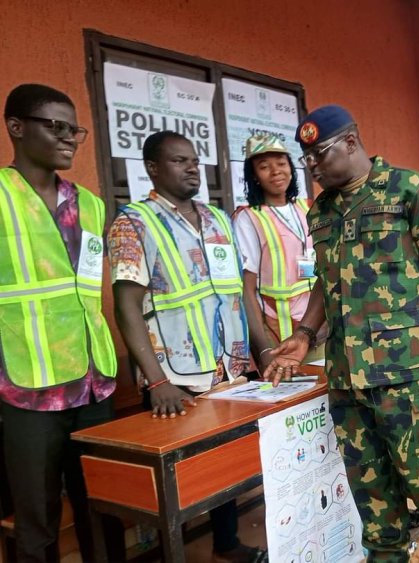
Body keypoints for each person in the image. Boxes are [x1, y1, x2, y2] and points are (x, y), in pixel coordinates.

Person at [263, 105, 419, 562]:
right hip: (346, 375)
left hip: (407, 368)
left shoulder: (409, 189)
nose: (312, 166)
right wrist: (304, 333)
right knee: (370, 486)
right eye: (308, 159)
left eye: (319, 154)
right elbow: (325, 278)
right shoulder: (320, 210)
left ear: (352, 143)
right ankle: (386, 552)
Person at [107, 131, 262, 563]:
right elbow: (126, 307)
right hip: (175, 378)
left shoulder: (217, 219)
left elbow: (237, 294)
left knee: (225, 465)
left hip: (228, 369)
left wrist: (260, 355)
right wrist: (156, 381)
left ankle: (226, 544)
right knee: (180, 481)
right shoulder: (133, 223)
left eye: (195, 160)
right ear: (153, 169)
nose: (193, 168)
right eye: (179, 161)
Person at [0, 84, 124, 562]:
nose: (69, 137)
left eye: (74, 129)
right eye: (55, 126)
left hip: (94, 383)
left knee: (104, 504)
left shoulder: (90, 205)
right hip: (28, 386)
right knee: (38, 519)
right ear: (16, 128)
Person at [233, 132, 324, 374]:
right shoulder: (249, 218)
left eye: (282, 164)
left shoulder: (307, 208)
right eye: (264, 167)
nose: (276, 172)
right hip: (279, 340)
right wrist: (262, 351)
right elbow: (247, 290)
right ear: (254, 175)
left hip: (319, 331)